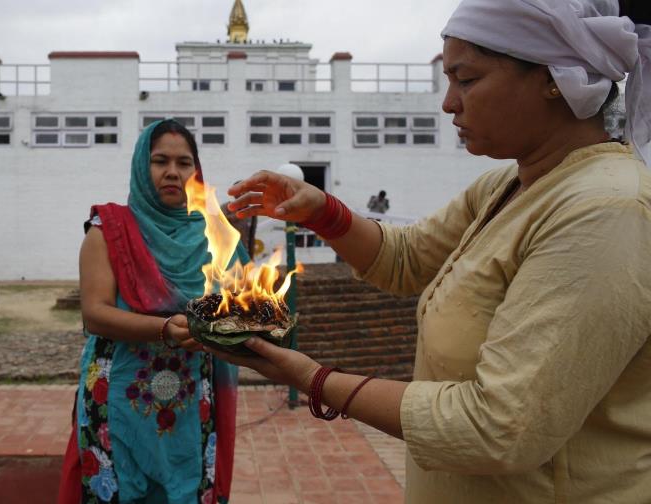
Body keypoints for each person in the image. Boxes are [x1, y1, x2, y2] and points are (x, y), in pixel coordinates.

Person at [221, 1, 651, 502]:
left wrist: (312, 379)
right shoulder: (509, 185)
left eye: (466, 80)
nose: (449, 104)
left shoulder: (607, 210)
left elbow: (498, 427)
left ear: (554, 79)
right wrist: (321, 211)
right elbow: (407, 258)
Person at [57, 119, 249, 504]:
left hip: (194, 395)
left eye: (184, 163)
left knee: (187, 488)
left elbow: (240, 307)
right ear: (142, 167)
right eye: (160, 161)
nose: (173, 172)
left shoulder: (216, 233)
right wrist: (165, 329)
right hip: (119, 395)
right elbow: (94, 314)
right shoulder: (108, 230)